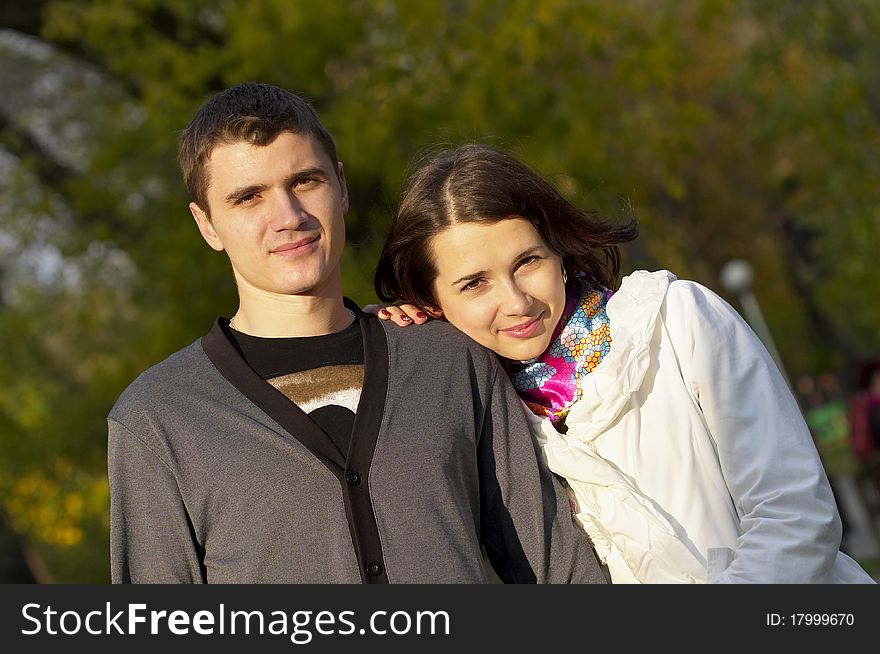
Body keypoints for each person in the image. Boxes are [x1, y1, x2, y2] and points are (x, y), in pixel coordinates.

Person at [107, 84, 605, 584]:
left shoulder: (449, 357)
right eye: (248, 197)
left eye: (304, 181)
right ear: (207, 225)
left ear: (340, 187)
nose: (288, 217)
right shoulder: (158, 418)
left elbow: (559, 570)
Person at [372, 143, 875, 583]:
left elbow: (796, 512)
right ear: (433, 301)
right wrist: (401, 341)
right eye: (474, 284)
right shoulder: (485, 417)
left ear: (560, 253)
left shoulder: (676, 321)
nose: (516, 301)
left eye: (528, 262)